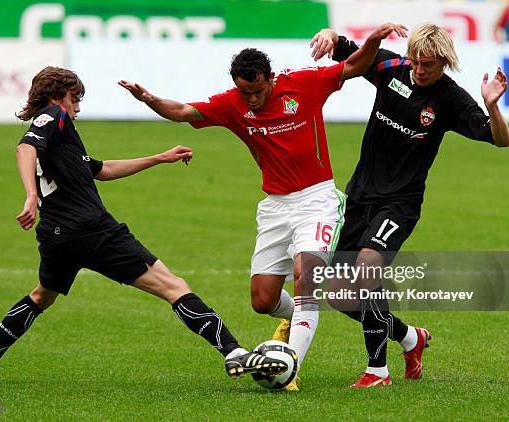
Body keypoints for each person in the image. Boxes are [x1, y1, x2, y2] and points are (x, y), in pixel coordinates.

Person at [119, 23, 408, 391]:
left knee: (308, 275)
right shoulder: (233, 103)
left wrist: (374, 39)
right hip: (275, 208)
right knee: (263, 300)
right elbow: (181, 111)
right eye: (245, 92)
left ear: (271, 78)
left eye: (256, 91)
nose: (251, 99)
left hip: (316, 200)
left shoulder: (304, 83)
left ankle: (289, 366)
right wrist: (149, 99)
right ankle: (303, 317)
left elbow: (353, 66)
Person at [0, 66, 289, 384]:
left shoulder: (61, 141)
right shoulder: (54, 116)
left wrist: (159, 158)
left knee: (41, 297)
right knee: (173, 286)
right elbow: (24, 147)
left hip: (57, 236)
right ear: (55, 96)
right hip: (93, 230)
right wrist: (30, 196)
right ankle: (233, 352)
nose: (77, 106)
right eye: (74, 98)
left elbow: (102, 169)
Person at [309, 23, 509, 388]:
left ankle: (377, 371)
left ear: (444, 63)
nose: (419, 70)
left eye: (428, 65)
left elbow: (500, 140)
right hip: (358, 197)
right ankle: (409, 337)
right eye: (415, 61)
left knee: (367, 267)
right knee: (340, 295)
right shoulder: (390, 68)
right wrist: (328, 34)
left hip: (399, 204)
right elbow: (346, 48)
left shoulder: (450, 99)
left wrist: (492, 106)